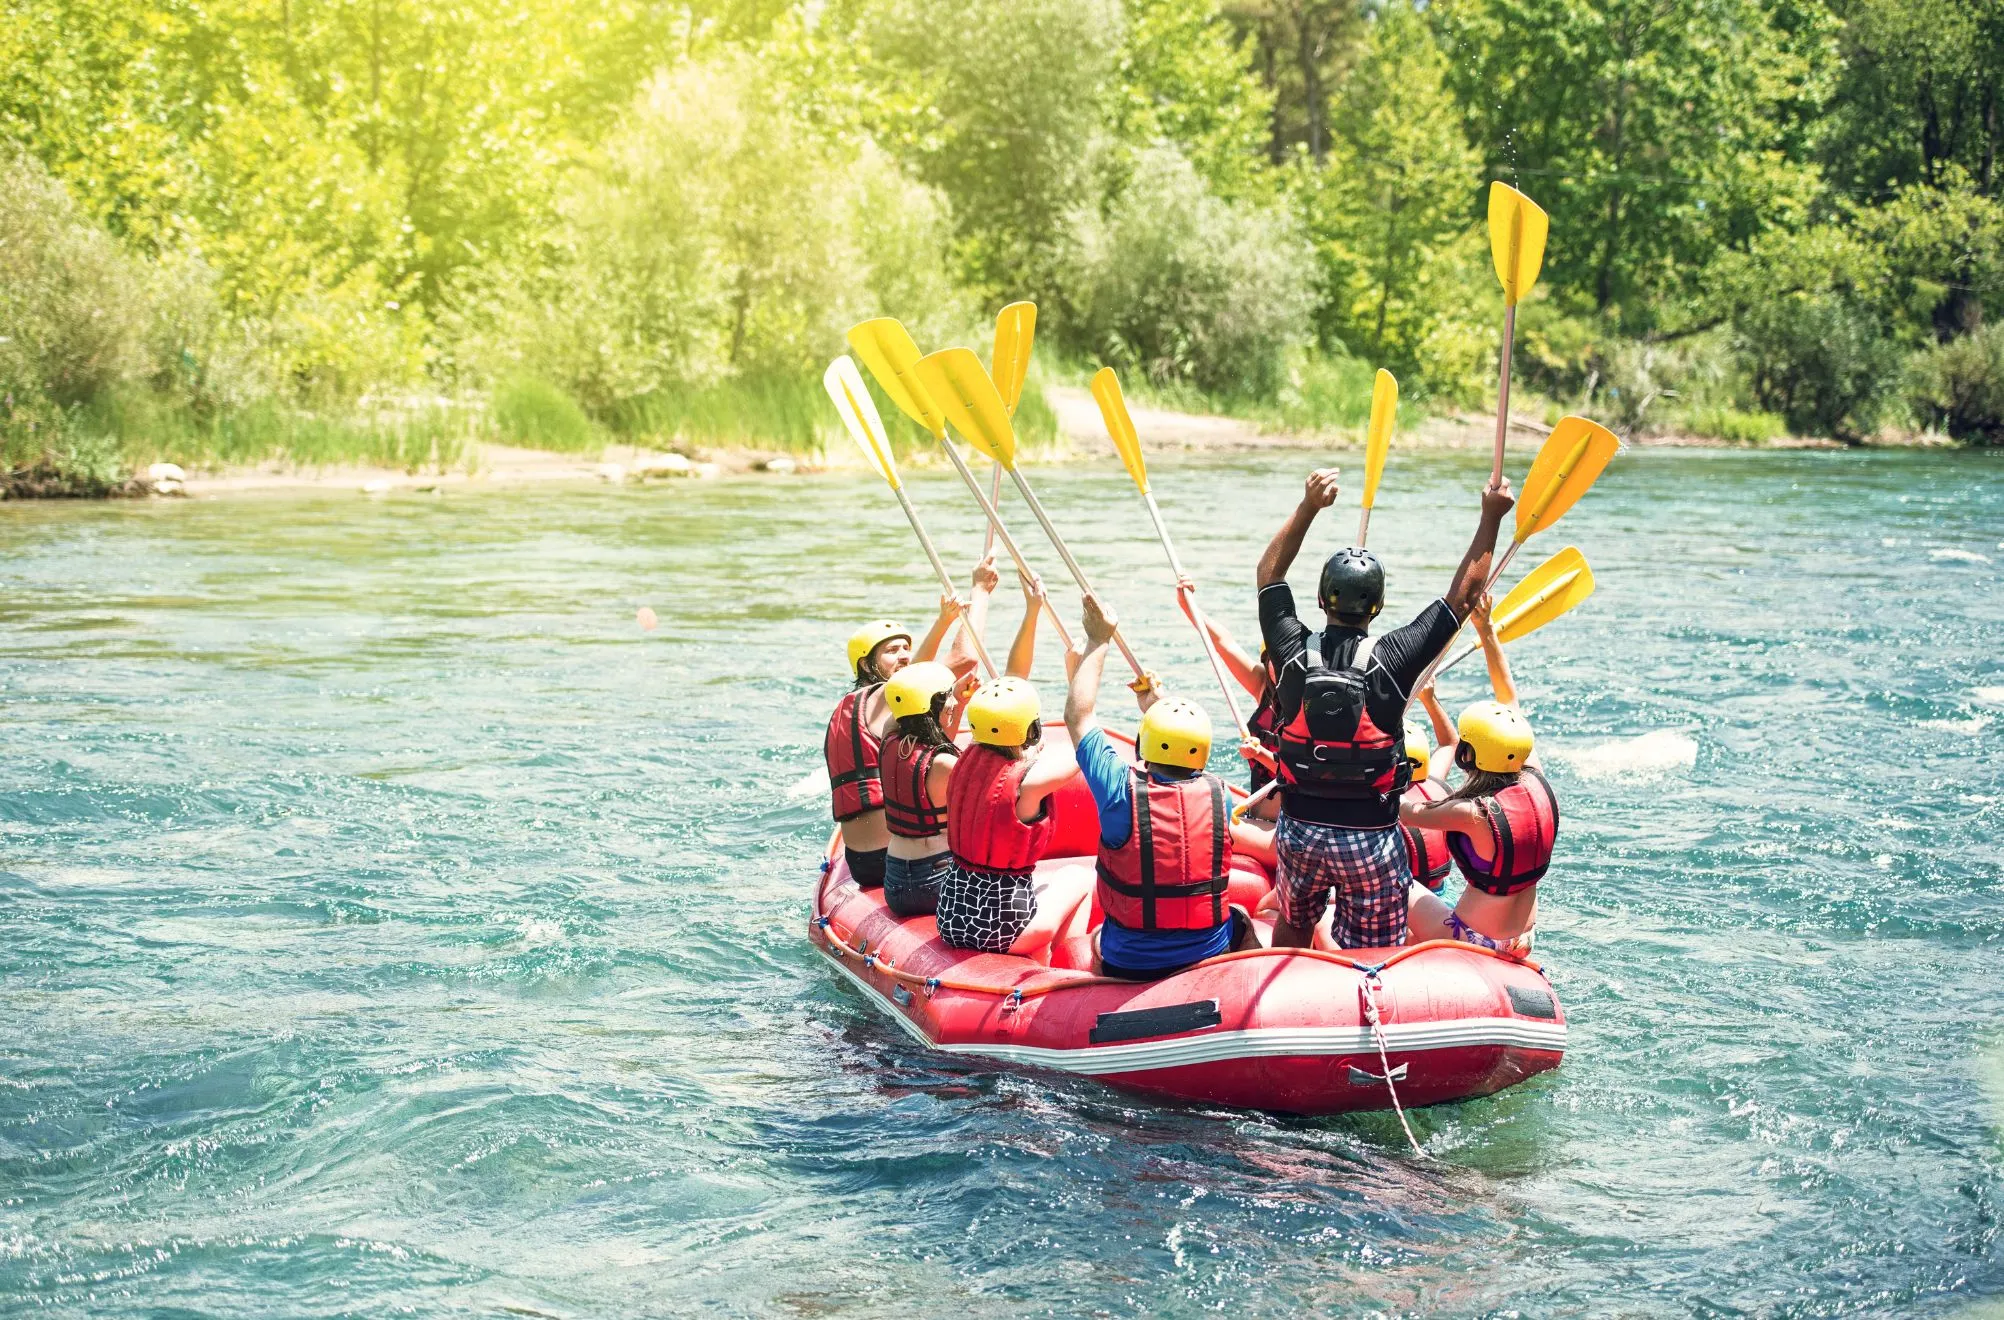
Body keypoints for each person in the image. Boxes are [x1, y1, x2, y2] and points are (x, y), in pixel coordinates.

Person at [1255, 466, 1514, 949]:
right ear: (1377, 607)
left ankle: (1291, 967)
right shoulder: (1395, 657)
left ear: (1319, 598)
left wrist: (1309, 506)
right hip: (1370, 836)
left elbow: (1269, 575)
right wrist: (1491, 517)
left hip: (1301, 831)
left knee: (1293, 922)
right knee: (1375, 949)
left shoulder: (1290, 648)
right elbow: (1463, 598)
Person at [1064, 597, 1256, 980]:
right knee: (1243, 920)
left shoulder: (1119, 790)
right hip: (1209, 950)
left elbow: (1079, 715)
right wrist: (1157, 705)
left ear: (1145, 744)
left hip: (1130, 960)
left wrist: (1098, 638)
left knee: (1098, 937)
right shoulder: (1219, 794)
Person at [879, 572, 1050, 918]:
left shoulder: (889, 733)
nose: (956, 701)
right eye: (949, 697)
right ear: (934, 707)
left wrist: (951, 696)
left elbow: (912, 688)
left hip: (895, 880)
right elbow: (1014, 690)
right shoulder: (947, 765)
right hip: (936, 881)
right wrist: (1029, 756)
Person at [824, 561, 997, 888]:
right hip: (890, 857)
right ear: (866, 663)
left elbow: (924, 756)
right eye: (892, 650)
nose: (904, 656)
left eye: (907, 648)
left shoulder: (857, 711)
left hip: (860, 860)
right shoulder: (880, 697)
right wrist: (981, 591)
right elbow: (964, 659)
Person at [1402, 596, 1558, 955]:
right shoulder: (1535, 778)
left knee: (1399, 882)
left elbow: (1404, 811)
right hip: (1523, 940)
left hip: (1474, 938)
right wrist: (1486, 630)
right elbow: (1510, 701)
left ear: (1467, 755)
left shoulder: (1472, 813)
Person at [935, 676, 1081, 952]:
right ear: (1031, 729)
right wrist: (1074, 671)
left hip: (951, 918)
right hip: (1002, 930)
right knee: (1078, 877)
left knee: (1040, 894)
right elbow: (1082, 753)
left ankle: (1038, 961)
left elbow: (1001, 772)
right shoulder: (1029, 785)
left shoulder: (962, 763)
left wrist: (1028, 752)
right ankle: (1069, 967)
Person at [1400, 680, 1458, 895]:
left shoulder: (1376, 802)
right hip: (1442, 895)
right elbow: (1449, 743)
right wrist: (1429, 699)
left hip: (1404, 900)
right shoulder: (1433, 783)